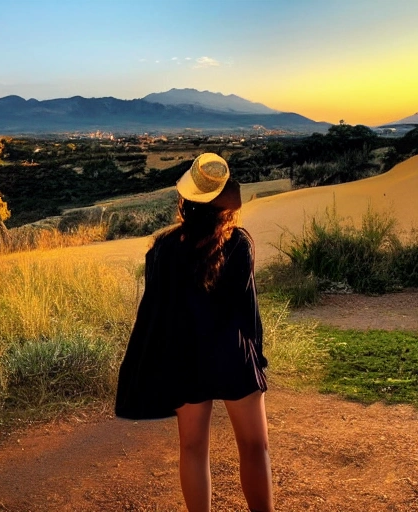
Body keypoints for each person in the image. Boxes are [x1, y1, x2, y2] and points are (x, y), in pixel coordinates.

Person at [115, 153, 274, 512]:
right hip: (233, 356)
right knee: (254, 447)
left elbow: (154, 313)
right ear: (225, 203)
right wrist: (256, 359)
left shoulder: (164, 249)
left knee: (192, 449)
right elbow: (248, 311)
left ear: (185, 199)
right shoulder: (238, 244)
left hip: (185, 359)